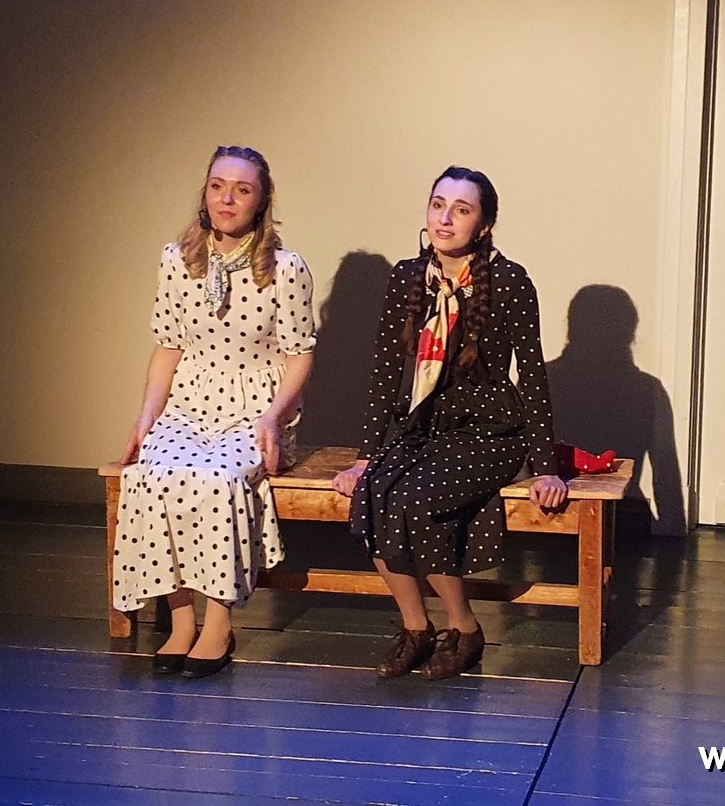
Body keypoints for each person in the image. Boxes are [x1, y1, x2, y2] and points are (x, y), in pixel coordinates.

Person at [332, 166, 566, 680]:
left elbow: (531, 375)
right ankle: (416, 627)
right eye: (438, 205)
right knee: (372, 493)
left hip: (490, 430)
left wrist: (545, 466)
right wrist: (366, 455)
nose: (445, 218)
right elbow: (386, 371)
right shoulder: (407, 276)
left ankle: (464, 627)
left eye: (461, 210)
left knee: (415, 501)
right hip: (424, 426)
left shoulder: (509, 280)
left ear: (484, 225)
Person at [113, 145, 315, 679]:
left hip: (255, 409)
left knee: (217, 479)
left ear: (261, 201)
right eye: (218, 186)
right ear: (204, 193)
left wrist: (272, 418)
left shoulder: (285, 269)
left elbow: (299, 355)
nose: (227, 199)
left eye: (242, 190)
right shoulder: (176, 259)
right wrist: (146, 417)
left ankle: (219, 625)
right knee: (151, 474)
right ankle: (182, 623)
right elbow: (168, 345)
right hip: (189, 402)